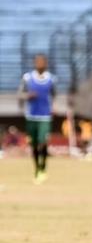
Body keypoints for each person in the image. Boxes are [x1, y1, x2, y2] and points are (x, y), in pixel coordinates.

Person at [18, 54, 56, 184]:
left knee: (43, 142)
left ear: (46, 63)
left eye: (42, 61)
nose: (40, 63)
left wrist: (53, 107)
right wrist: (27, 96)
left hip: (45, 116)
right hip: (31, 116)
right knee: (34, 145)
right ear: (34, 63)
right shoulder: (27, 78)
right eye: (37, 61)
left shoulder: (51, 78)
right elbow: (20, 94)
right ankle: (36, 169)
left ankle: (43, 168)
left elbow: (54, 94)